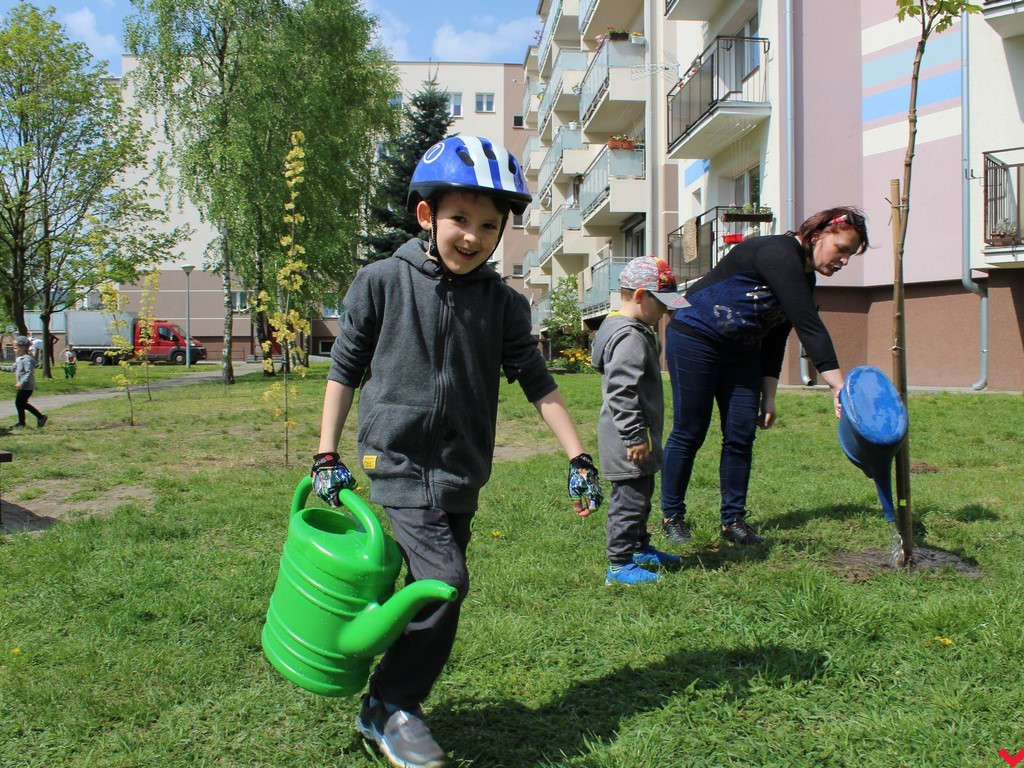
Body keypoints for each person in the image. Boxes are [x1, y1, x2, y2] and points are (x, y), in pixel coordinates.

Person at [311, 136, 603, 768]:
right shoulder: (382, 282)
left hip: (461, 471)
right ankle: (391, 706)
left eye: (489, 225)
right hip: (395, 460)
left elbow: (538, 383)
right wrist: (324, 452)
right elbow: (344, 367)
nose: (472, 236)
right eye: (459, 220)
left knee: (429, 583)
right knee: (445, 582)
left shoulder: (502, 305)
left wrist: (579, 458)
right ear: (427, 217)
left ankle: (385, 691)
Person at [660, 207, 869, 547]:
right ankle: (672, 516)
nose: (844, 260)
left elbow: (776, 335)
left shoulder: (805, 276)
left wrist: (768, 395)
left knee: (741, 434)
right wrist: (839, 385)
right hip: (696, 339)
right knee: (690, 430)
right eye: (842, 249)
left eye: (850, 254)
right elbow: (808, 324)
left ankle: (733, 520)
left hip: (742, 352)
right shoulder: (778, 252)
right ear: (818, 235)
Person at [591, 256, 686, 586]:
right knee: (628, 500)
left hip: (635, 435)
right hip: (626, 439)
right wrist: (633, 437)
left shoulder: (630, 329)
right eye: (661, 305)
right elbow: (621, 391)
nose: (665, 312)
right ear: (641, 296)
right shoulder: (629, 337)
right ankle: (619, 565)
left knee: (642, 493)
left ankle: (640, 548)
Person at [4, 336, 48, 429]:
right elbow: (12, 368)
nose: (14, 350)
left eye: (16, 348)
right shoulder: (20, 359)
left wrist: (22, 383)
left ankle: (40, 417)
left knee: (21, 403)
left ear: (22, 348)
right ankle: (23, 422)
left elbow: (29, 373)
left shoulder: (27, 359)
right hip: (23, 386)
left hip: (26, 387)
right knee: (20, 403)